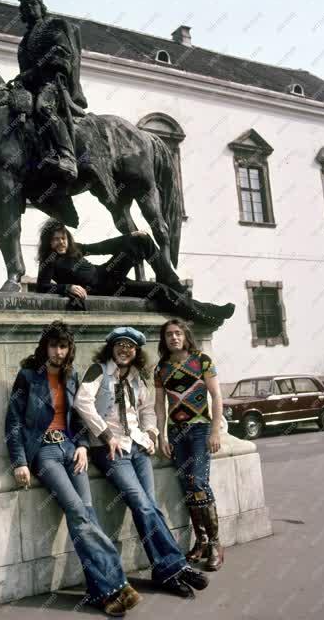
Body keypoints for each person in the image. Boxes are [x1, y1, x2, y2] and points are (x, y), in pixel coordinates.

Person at [4, 321, 141, 616]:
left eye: (63, 346)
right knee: (78, 513)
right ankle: (118, 583)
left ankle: (100, 593)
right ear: (45, 347)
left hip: (71, 450)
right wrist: (20, 462)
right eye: (53, 345)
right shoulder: (28, 376)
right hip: (45, 454)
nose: (58, 351)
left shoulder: (72, 375)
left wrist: (80, 445)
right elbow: (13, 421)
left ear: (69, 350)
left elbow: (77, 418)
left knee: (87, 515)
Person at [74, 326, 210, 599]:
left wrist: (151, 433)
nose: (125, 350)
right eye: (120, 345)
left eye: (130, 347)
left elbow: (147, 408)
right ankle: (175, 566)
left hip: (137, 447)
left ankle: (164, 571)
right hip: (110, 450)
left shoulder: (137, 376)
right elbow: (82, 402)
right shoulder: (98, 370)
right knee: (142, 503)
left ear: (136, 352)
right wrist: (105, 433)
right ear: (111, 348)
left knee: (149, 507)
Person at [36, 218, 235, 327]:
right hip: (106, 288)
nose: (61, 242)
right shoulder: (49, 261)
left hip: (108, 273)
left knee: (143, 240)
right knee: (158, 290)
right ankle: (204, 313)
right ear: (49, 242)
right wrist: (67, 287)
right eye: (55, 239)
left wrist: (129, 236)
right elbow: (42, 287)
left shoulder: (74, 248)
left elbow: (101, 246)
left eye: (63, 238)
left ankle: (179, 287)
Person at [154, 318, 225, 571]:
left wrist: (215, 431)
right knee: (187, 485)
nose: (173, 338)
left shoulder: (202, 360)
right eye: (168, 335)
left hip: (199, 429)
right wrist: (161, 435)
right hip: (175, 432)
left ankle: (216, 543)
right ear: (164, 340)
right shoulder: (161, 368)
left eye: (177, 333)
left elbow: (216, 396)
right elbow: (159, 406)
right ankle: (202, 541)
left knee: (198, 481)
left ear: (185, 336)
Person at [12, 0, 87, 183]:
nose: (30, 9)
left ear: (40, 5)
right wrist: (20, 81)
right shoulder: (24, 42)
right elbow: (24, 70)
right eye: (26, 6)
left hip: (53, 83)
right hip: (32, 86)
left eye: (33, 4)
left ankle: (67, 156)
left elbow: (61, 55)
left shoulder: (53, 26)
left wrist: (35, 72)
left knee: (43, 107)